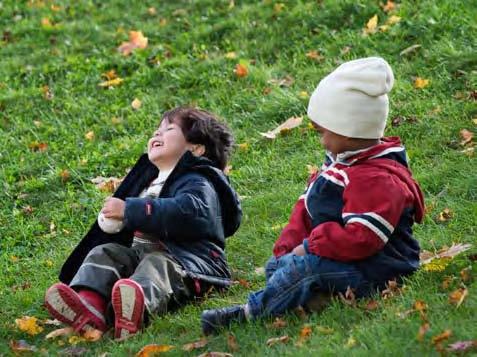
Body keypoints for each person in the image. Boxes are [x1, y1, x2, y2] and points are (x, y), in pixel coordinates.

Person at [201, 57, 425, 334]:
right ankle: (316, 298)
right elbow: (307, 207)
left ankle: (248, 314)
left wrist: (309, 247)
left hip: (378, 269)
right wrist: (288, 246)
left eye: (323, 132)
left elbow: (362, 239)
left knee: (304, 270)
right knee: (279, 266)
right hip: (341, 257)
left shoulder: (375, 179)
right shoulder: (341, 160)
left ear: (350, 129)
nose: (321, 141)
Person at [44, 107, 242, 339]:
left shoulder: (198, 180)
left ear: (195, 149)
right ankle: (90, 304)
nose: (157, 135)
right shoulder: (149, 181)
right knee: (105, 252)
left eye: (168, 129)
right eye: (157, 130)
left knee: (157, 264)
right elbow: (135, 222)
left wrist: (130, 209)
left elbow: (187, 212)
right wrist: (114, 220)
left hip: (190, 265)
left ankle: (135, 308)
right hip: (141, 255)